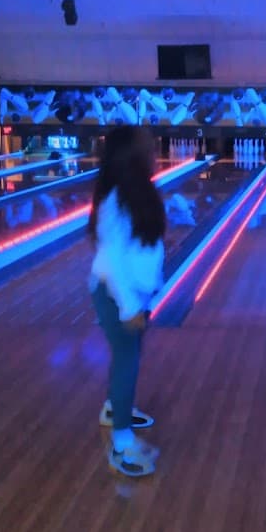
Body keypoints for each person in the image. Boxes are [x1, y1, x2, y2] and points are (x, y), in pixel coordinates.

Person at [89, 125, 165, 477]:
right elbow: (112, 260)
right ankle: (122, 443)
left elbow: (143, 248)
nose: (154, 150)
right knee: (127, 362)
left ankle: (113, 407)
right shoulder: (115, 201)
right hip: (117, 296)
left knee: (130, 356)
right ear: (131, 155)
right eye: (148, 147)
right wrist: (130, 307)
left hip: (134, 296)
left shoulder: (136, 192)